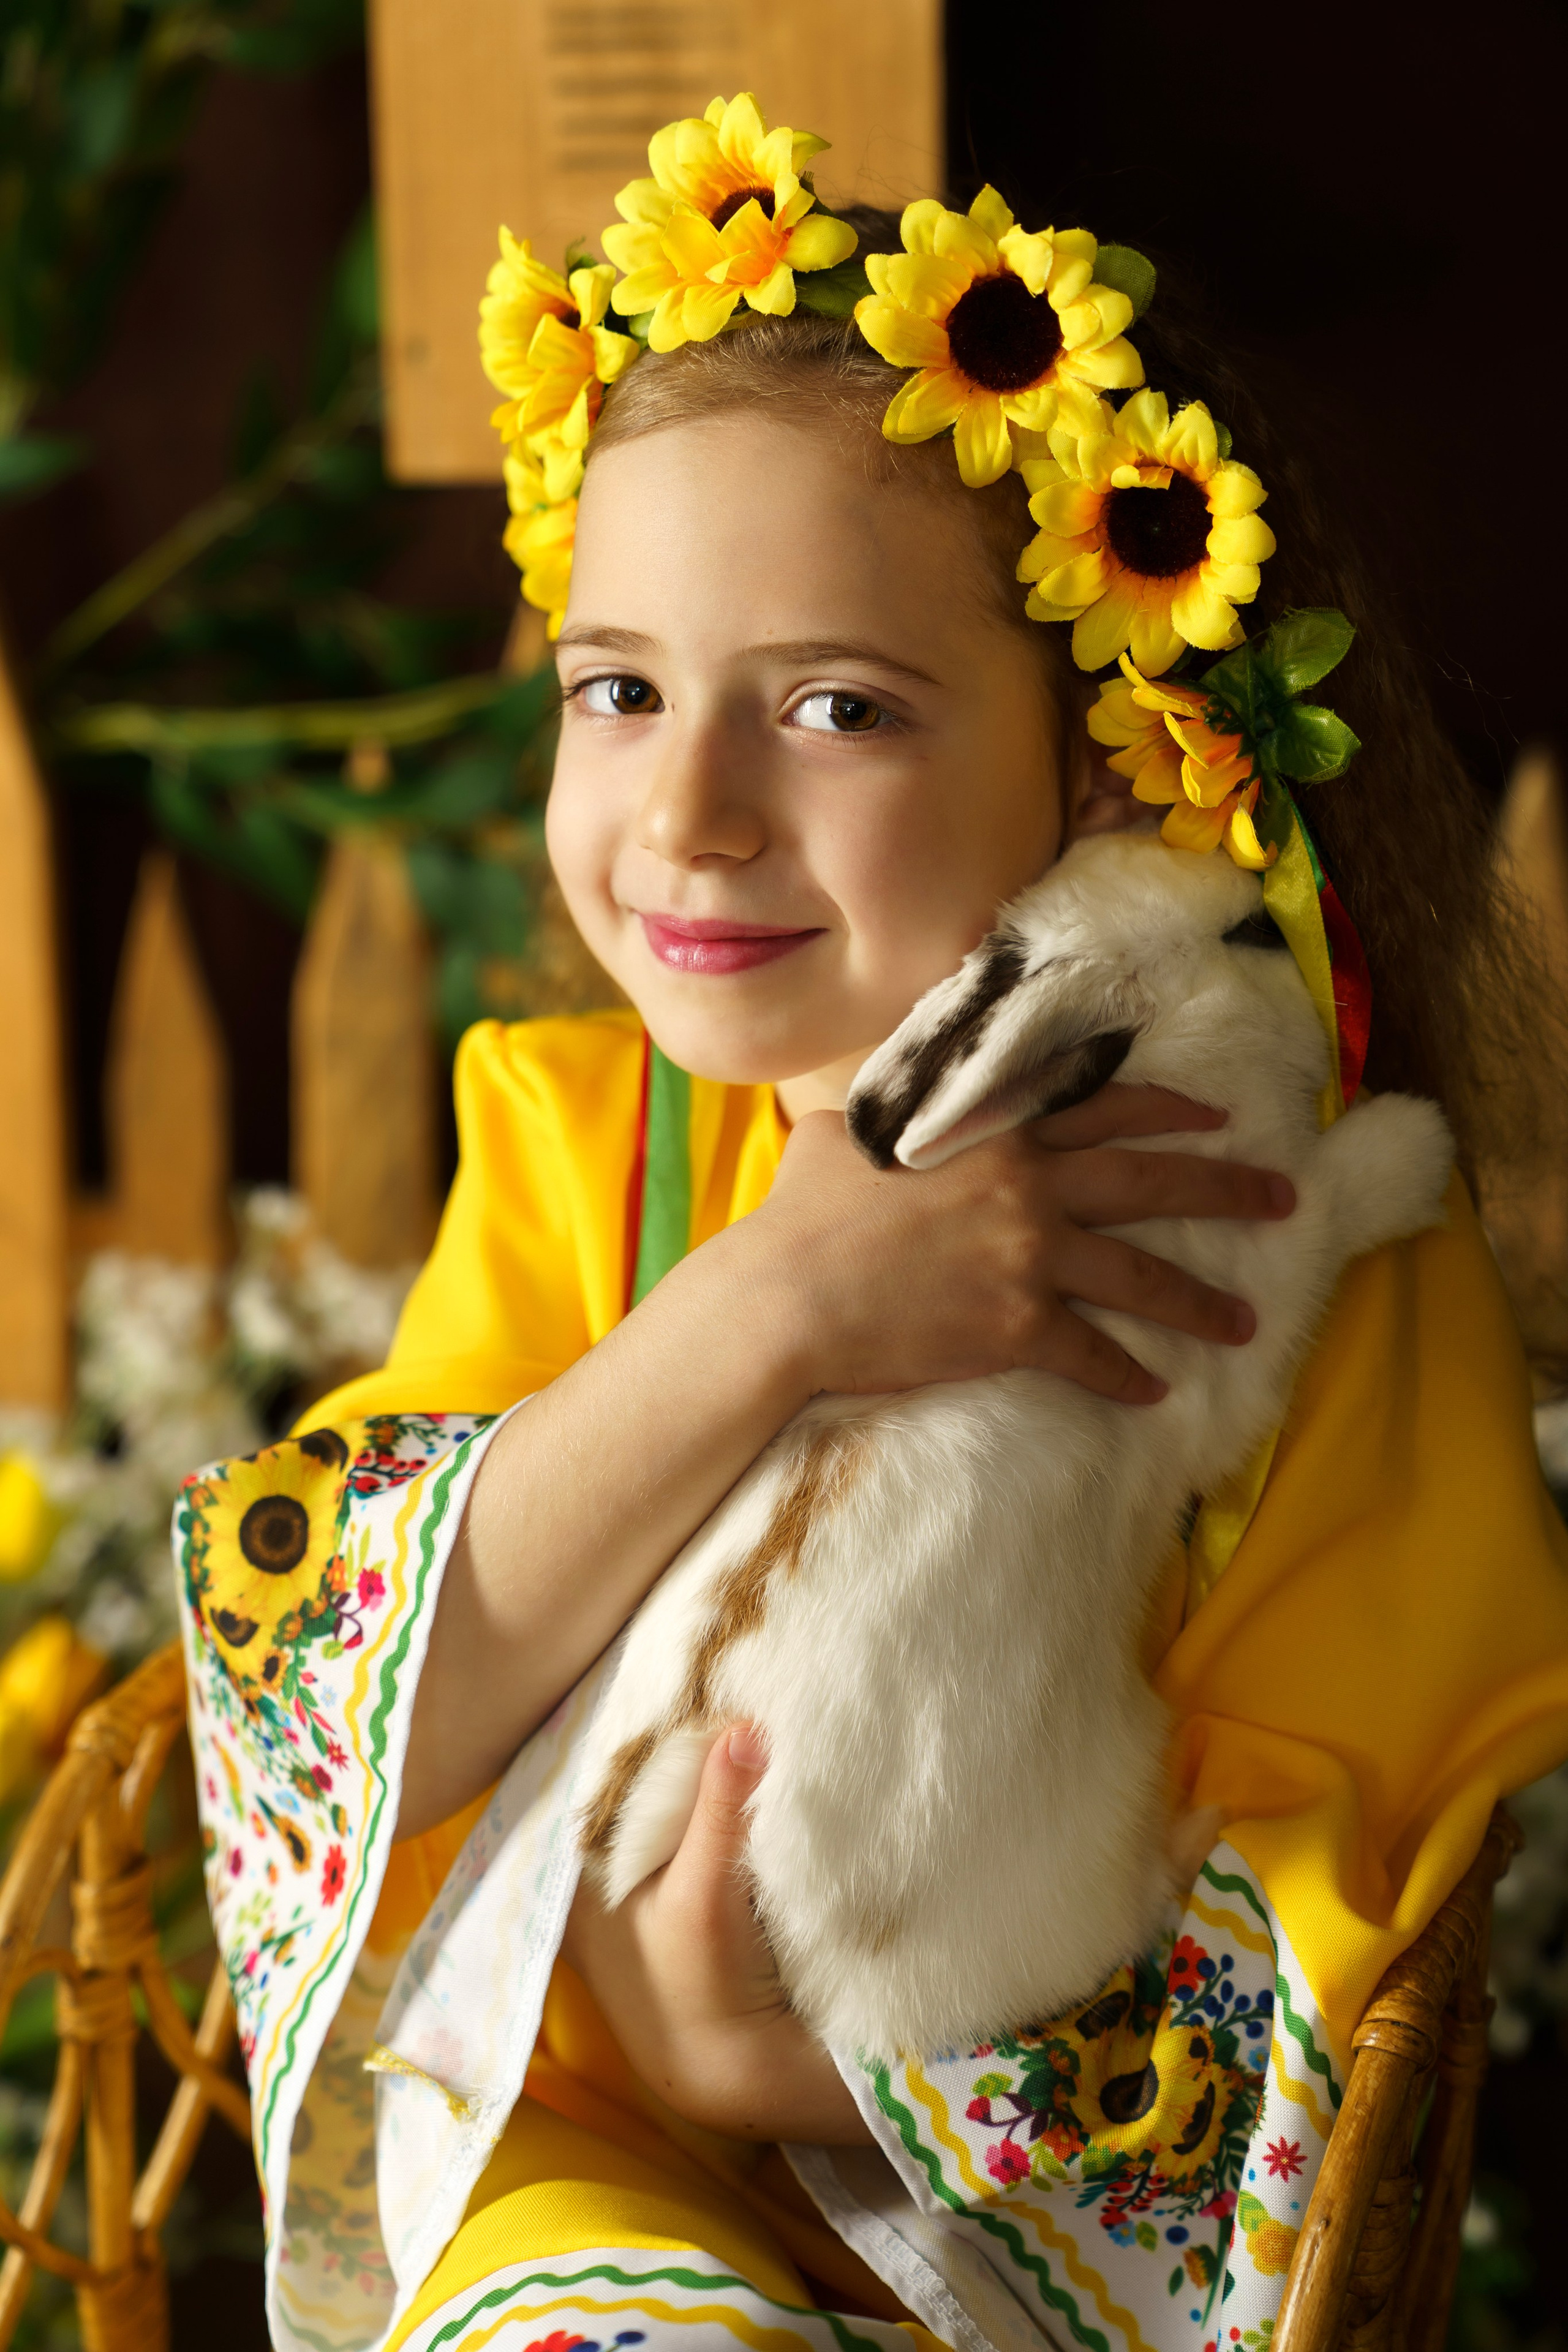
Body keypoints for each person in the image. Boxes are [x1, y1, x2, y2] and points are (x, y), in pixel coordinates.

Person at [174, 97, 1568, 2352]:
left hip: (1046, 2289)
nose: (688, 814)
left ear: (1107, 754)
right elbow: (350, 1720)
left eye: (836, 707)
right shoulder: (575, 1142)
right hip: (574, 2169)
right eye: (616, 689)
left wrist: (787, 2061)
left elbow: (1326, 1977)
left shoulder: (1329, 1266)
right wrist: (775, 1307)